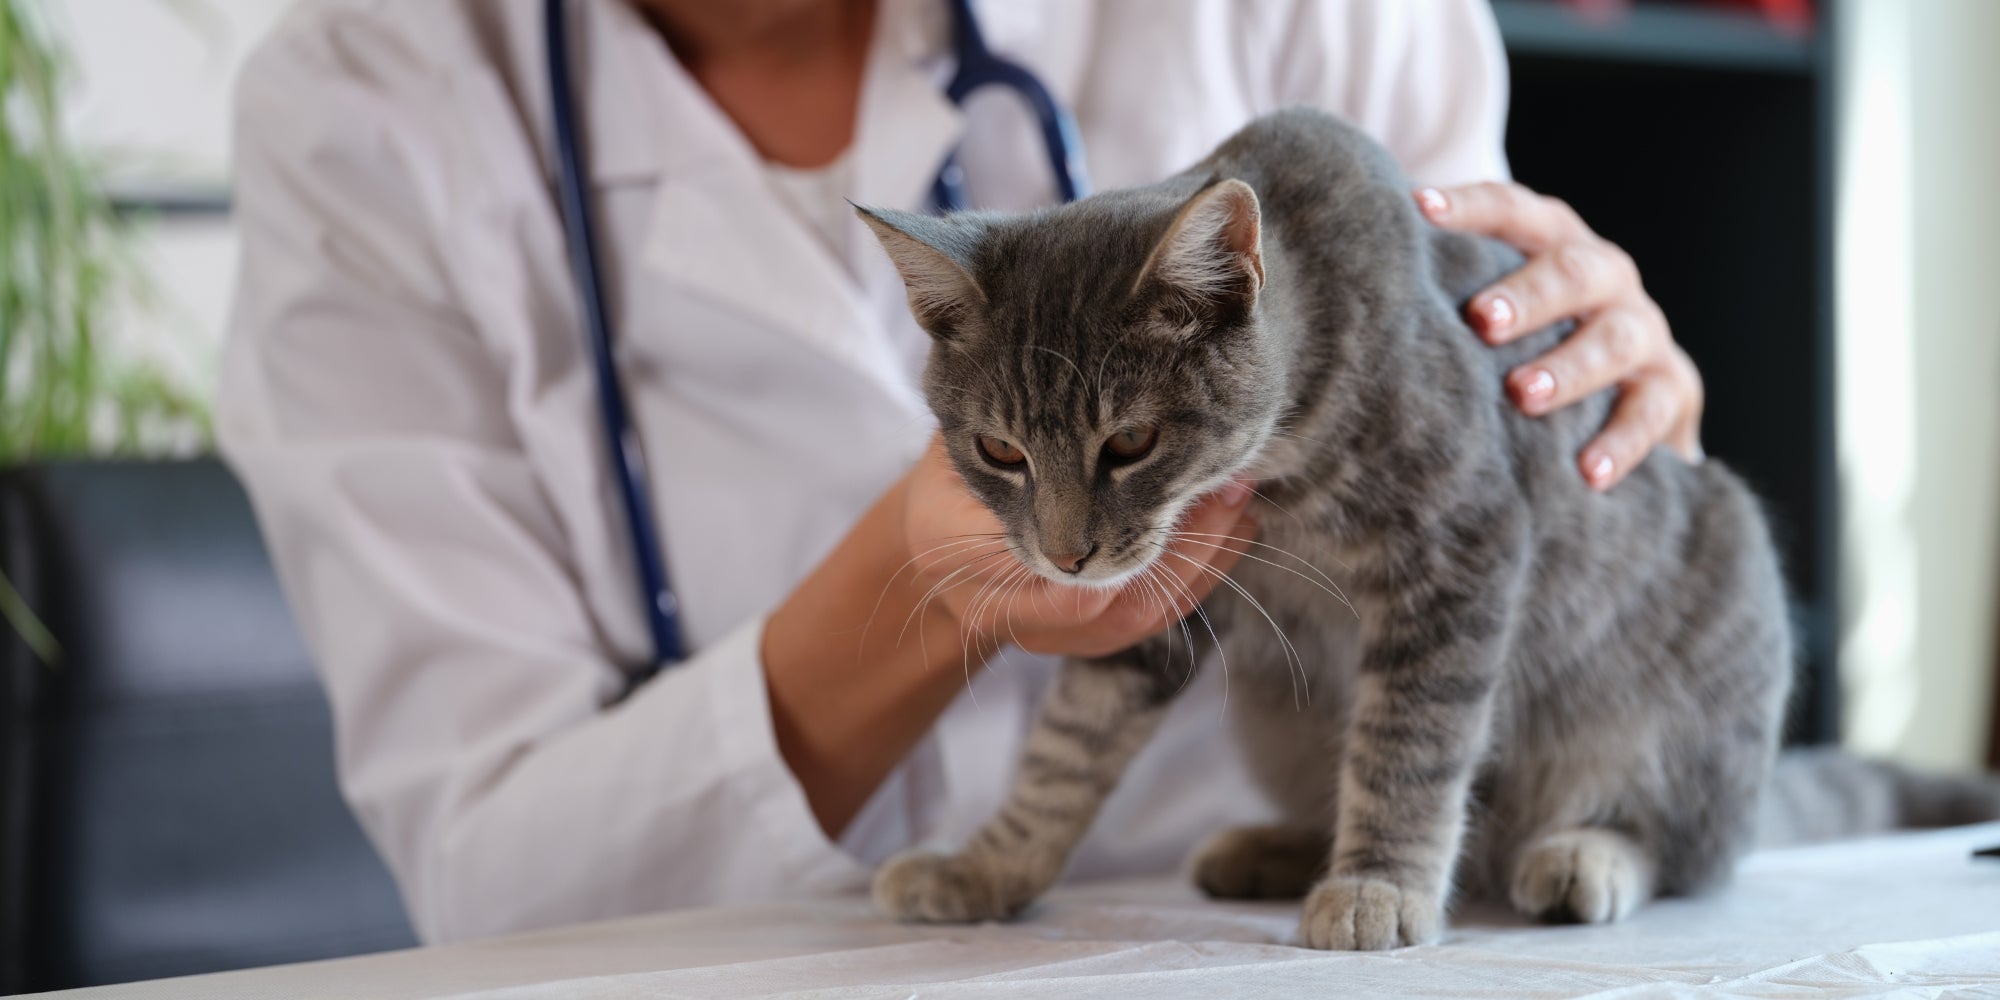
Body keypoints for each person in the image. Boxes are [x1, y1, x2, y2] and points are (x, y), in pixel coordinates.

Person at [218, 0, 1704, 944]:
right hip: (753, 959)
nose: (1062, 535)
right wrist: (929, 583)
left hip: (1287, 936)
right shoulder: (364, 110)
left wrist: (1611, 394)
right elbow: (496, 890)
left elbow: (1498, 513)